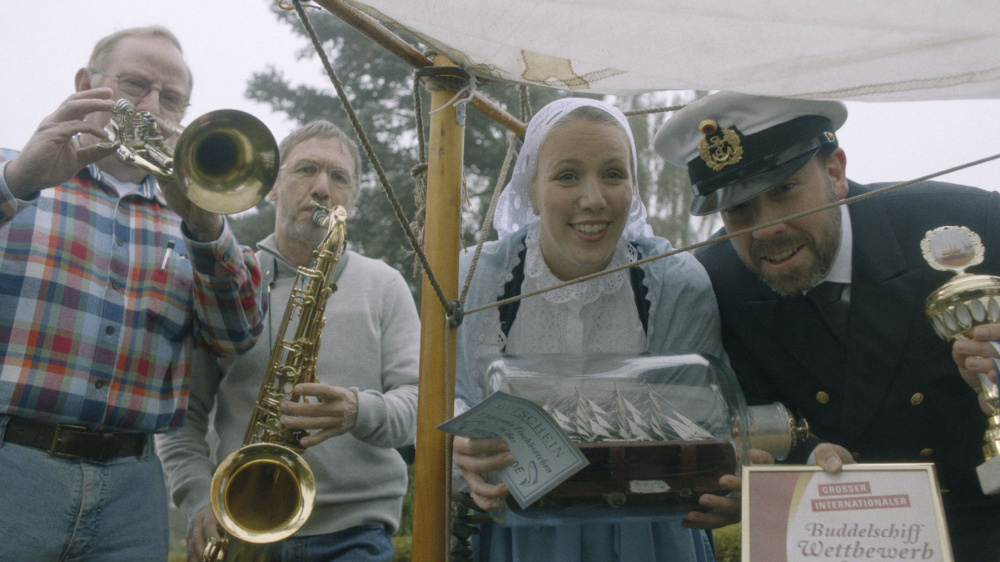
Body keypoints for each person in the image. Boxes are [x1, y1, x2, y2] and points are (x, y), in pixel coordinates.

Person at [655, 90, 1000, 561]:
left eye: (784, 191)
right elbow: (746, 420)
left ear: (834, 172)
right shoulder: (715, 282)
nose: (765, 229)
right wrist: (771, 471)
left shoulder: (972, 225)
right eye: (739, 209)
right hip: (826, 542)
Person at [0, 25, 267, 560]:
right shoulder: (17, 168)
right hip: (13, 466)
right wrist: (15, 184)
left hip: (134, 485)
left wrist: (207, 230)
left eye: (170, 99)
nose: (150, 106)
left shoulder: (196, 212)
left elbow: (237, 336)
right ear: (85, 84)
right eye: (135, 85)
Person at [452, 97, 730, 561]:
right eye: (567, 175)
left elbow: (702, 421)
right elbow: (449, 403)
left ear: (633, 186)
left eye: (613, 174)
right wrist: (461, 452)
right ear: (531, 190)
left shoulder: (676, 282)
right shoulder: (478, 275)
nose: (594, 198)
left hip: (652, 536)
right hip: (520, 535)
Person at [157, 120, 420, 562]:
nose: (322, 188)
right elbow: (182, 417)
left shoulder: (385, 284)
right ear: (272, 187)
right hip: (239, 526)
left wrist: (358, 410)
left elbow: (419, 408)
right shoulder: (223, 281)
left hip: (354, 534)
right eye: (305, 170)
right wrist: (200, 497)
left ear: (351, 199)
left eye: (339, 178)